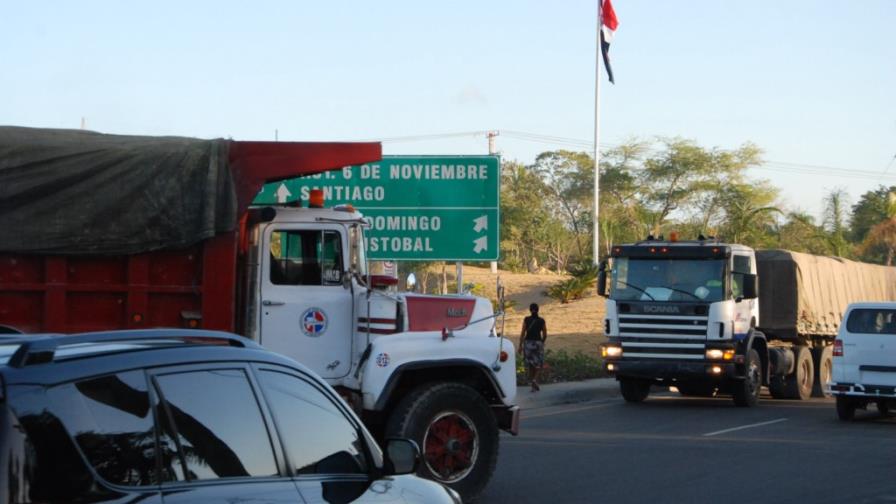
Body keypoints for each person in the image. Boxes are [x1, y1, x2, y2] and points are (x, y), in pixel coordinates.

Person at [519, 303, 548, 392]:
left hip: (528, 343)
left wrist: (520, 345)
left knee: (531, 364)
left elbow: (523, 332)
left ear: (530, 310)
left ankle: (532, 385)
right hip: (537, 343)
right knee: (539, 364)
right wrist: (542, 342)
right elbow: (545, 334)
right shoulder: (541, 320)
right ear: (538, 310)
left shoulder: (526, 319)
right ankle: (535, 380)